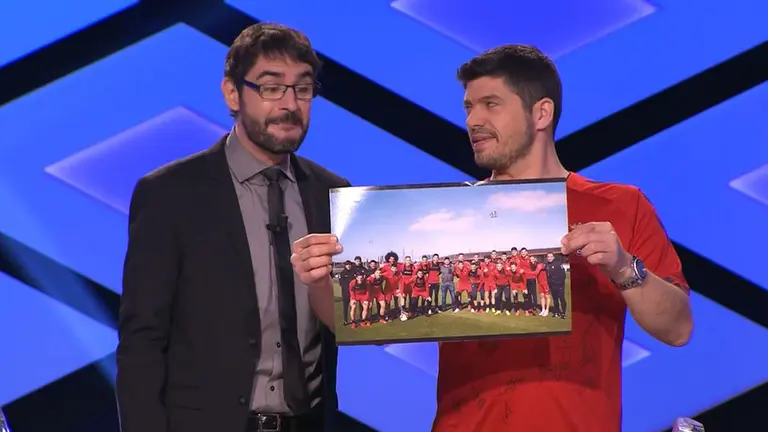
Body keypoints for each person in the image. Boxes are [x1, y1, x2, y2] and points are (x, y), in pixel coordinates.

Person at [290, 44, 693, 432]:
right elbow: (356, 323)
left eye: (491, 104)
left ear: (542, 113)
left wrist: (624, 268)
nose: (473, 121)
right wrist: (320, 282)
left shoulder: (620, 205)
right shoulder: (446, 215)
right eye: (469, 107)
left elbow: (678, 329)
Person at [116, 23, 346, 432]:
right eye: (271, 88)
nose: (290, 104)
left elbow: (351, 319)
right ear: (232, 93)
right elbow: (142, 341)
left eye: (303, 88)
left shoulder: (332, 194)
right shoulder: (169, 194)